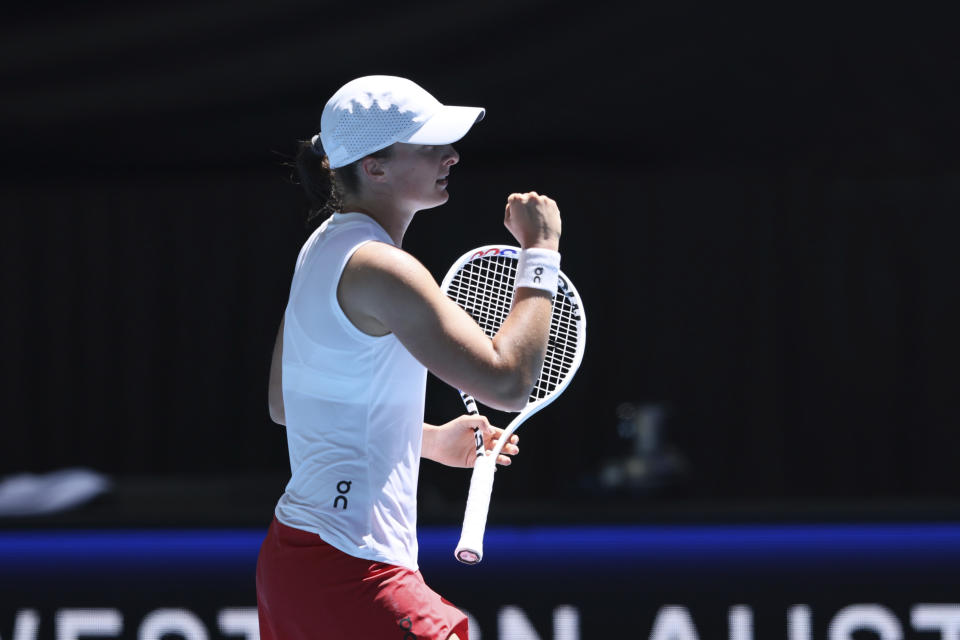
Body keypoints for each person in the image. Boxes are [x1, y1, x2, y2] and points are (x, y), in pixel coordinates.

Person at [256, 75, 563, 640]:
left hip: (293, 558)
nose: (451, 155)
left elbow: (286, 404)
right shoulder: (383, 268)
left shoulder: (321, 246)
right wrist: (540, 253)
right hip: (353, 572)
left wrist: (426, 440)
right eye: (429, 146)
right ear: (373, 167)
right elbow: (509, 382)